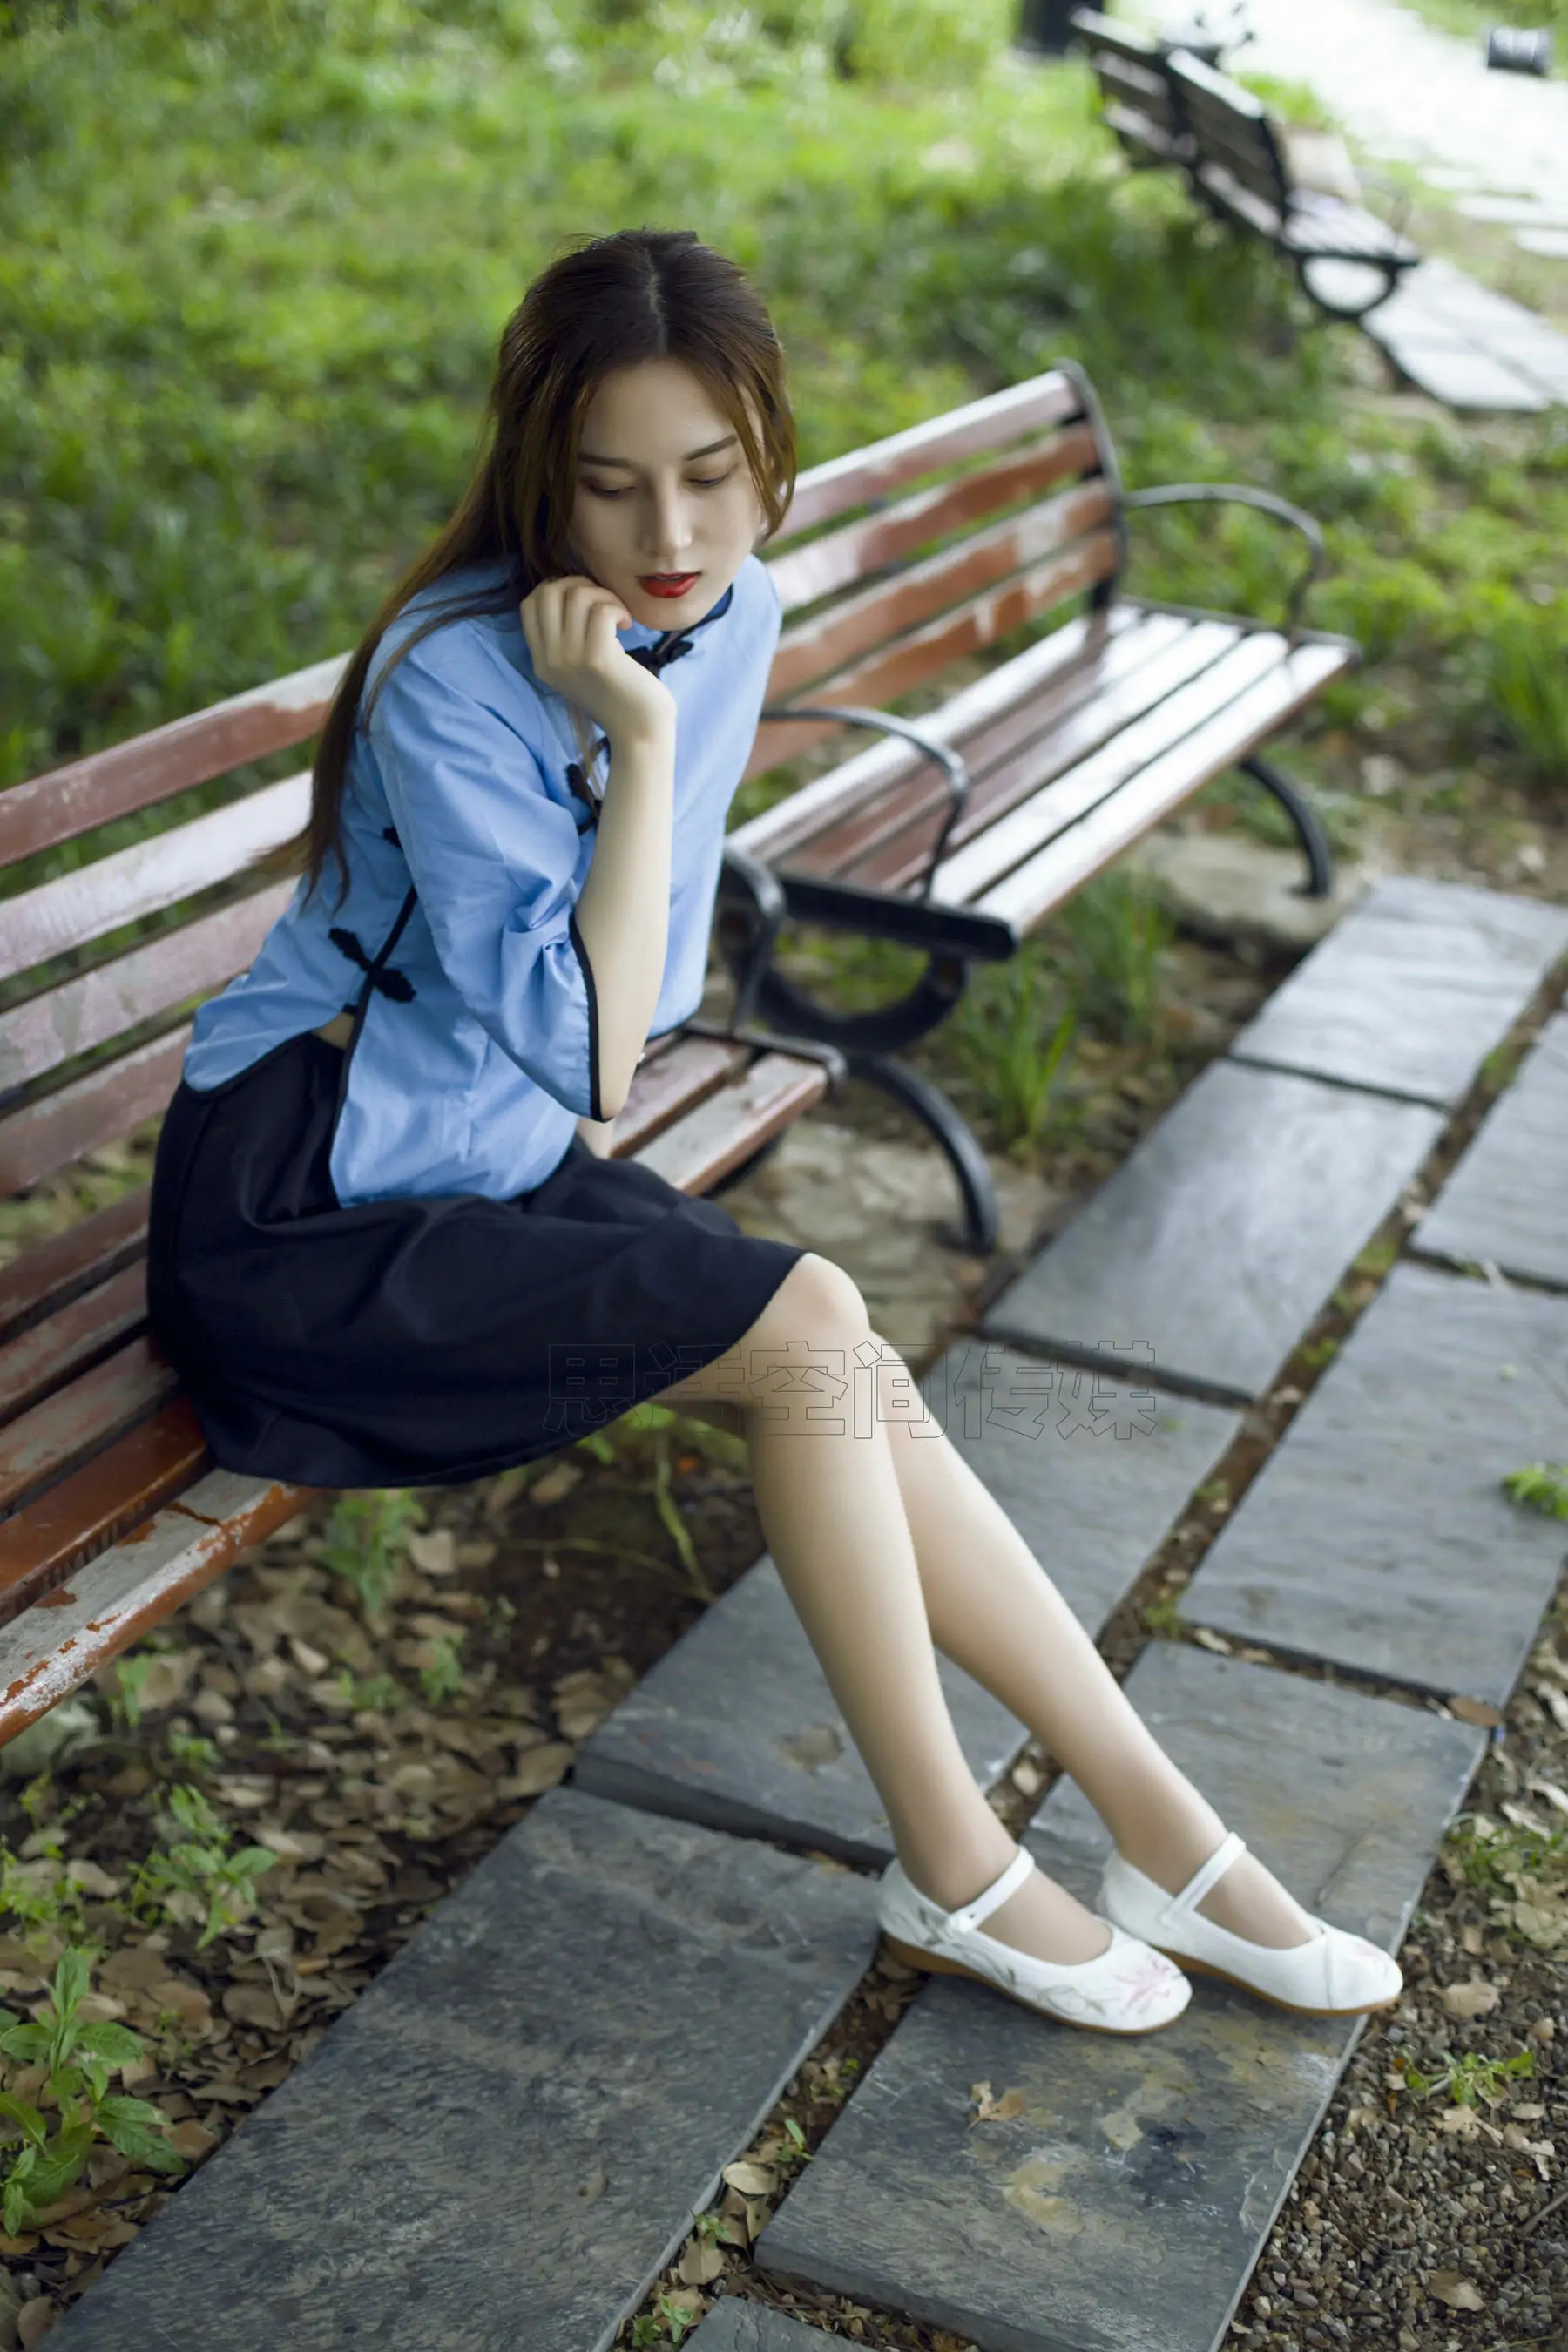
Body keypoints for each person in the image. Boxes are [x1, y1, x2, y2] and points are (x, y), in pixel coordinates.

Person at [146, 228, 1401, 2037]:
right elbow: (598, 1057)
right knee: (811, 1326)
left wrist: (648, 732)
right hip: (303, 1215)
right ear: (541, 474)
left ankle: (1162, 1829)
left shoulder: (731, 611)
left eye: (713, 476)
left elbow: (639, 1001)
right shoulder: (453, 677)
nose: (669, 534)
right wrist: (642, 748)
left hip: (479, 1161)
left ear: (769, 458)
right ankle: (955, 1862)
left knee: (837, 1362)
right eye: (611, 486)